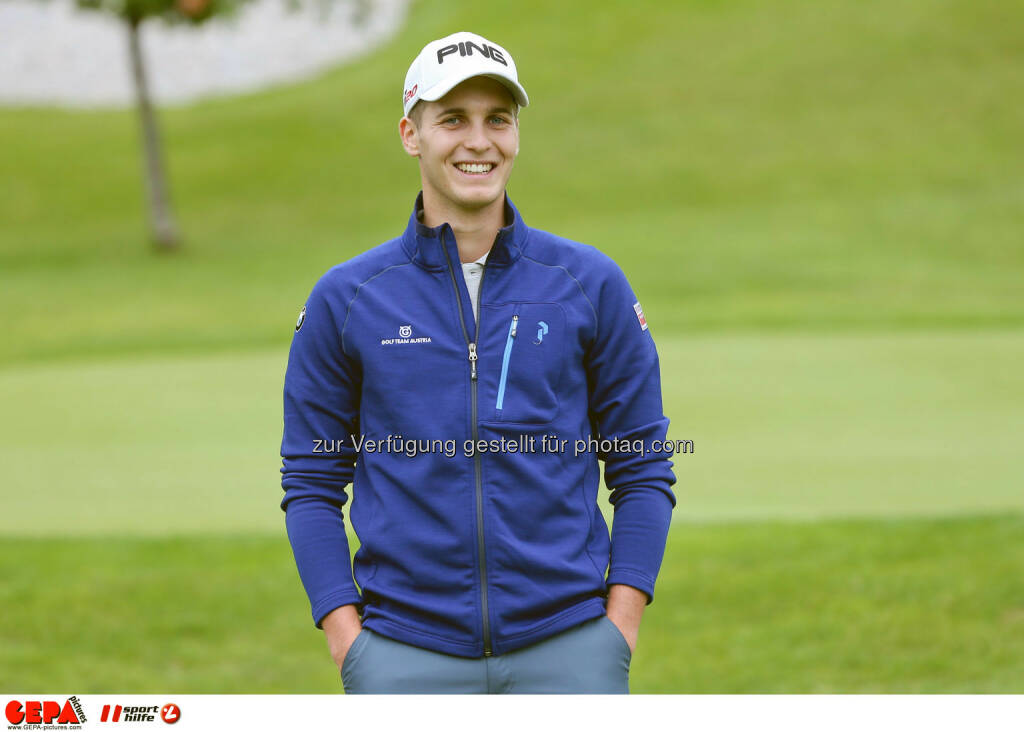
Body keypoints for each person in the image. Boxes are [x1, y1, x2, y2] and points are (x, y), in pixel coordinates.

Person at [280, 31, 676, 694]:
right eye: (453, 120)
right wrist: (347, 640)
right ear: (411, 135)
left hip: (570, 647)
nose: (479, 141)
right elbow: (312, 481)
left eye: (498, 119)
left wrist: (620, 626)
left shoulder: (588, 282)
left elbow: (641, 466)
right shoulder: (348, 299)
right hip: (403, 652)